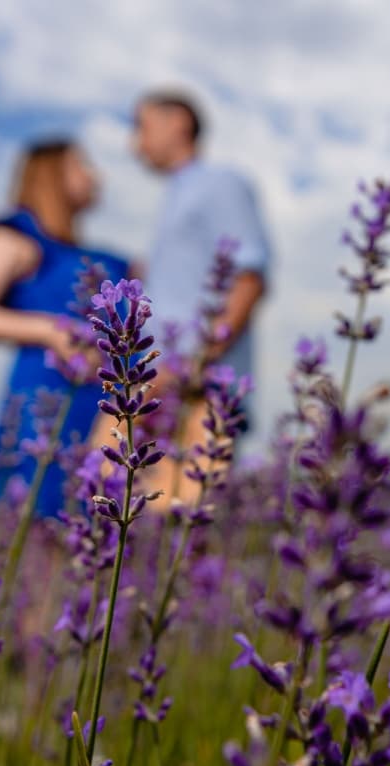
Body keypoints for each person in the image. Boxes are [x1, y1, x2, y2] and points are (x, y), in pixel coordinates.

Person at [0, 138, 128, 515]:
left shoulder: (97, 256)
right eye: (83, 166)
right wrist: (50, 330)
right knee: (37, 515)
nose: (97, 176)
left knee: (95, 524)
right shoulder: (17, 238)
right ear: (53, 175)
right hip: (46, 399)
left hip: (102, 405)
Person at [126, 90, 271, 501]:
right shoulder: (174, 195)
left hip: (197, 388)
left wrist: (189, 364)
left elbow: (248, 278)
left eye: (141, 126)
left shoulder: (218, 183)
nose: (133, 143)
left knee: (182, 534)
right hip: (157, 387)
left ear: (179, 123)